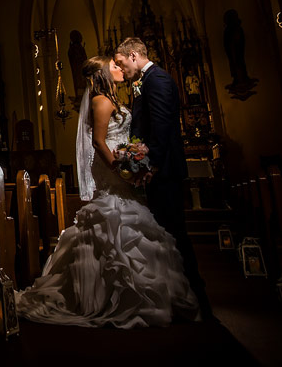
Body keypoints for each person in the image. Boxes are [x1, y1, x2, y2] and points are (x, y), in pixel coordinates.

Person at [15, 55, 200, 328]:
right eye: (113, 65)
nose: (118, 67)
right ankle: (116, 298)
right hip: (112, 175)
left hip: (120, 172)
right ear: (103, 72)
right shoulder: (102, 101)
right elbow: (99, 142)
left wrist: (131, 156)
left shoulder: (111, 99)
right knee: (114, 231)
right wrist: (120, 168)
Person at [113, 37, 213, 318]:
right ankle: (180, 295)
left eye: (121, 63)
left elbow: (163, 128)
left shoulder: (157, 81)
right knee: (166, 235)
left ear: (133, 56)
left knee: (174, 234)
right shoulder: (146, 82)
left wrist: (150, 165)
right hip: (158, 171)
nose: (121, 70)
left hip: (164, 173)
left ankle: (198, 298)